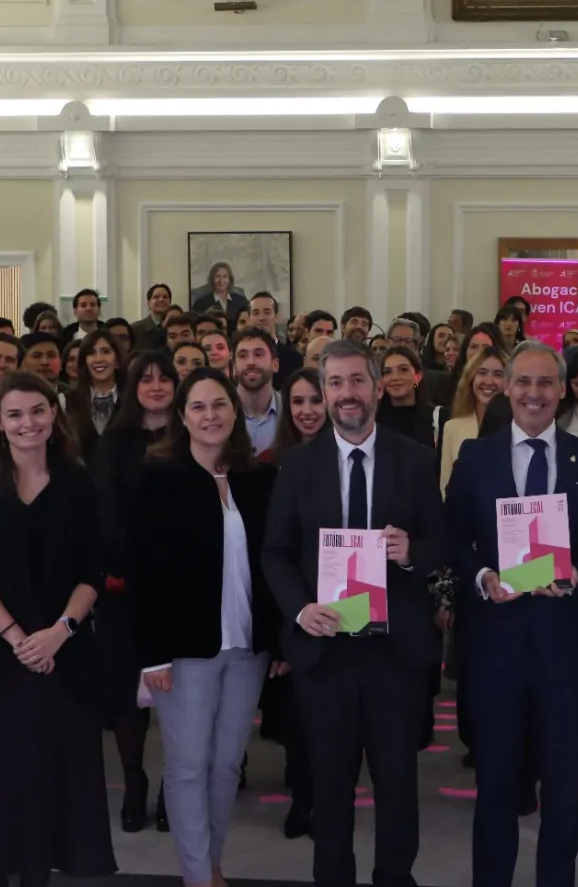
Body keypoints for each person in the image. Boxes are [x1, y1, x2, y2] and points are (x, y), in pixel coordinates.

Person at [261, 339, 447, 887]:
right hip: (327, 652)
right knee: (330, 786)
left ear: (377, 387)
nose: (347, 394)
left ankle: (395, 877)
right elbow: (274, 552)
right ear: (323, 392)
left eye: (357, 381)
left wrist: (412, 550)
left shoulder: (414, 460)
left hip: (396, 653)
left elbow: (443, 542)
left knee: (397, 785)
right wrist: (300, 609)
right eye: (336, 383)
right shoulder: (297, 465)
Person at [444, 341, 578, 887]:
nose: (534, 394)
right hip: (495, 642)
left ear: (562, 391)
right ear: (506, 388)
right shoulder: (476, 456)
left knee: (562, 785)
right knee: (495, 783)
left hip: (563, 642)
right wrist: (483, 578)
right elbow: (453, 538)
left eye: (545, 383)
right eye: (523, 382)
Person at [0, 372, 116, 887]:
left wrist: (59, 633)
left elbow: (93, 572)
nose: (28, 423)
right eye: (15, 414)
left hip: (64, 657)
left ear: (53, 415)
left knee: (55, 778)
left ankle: (42, 873)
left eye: (37, 411)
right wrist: (22, 641)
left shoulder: (76, 479)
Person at [131, 368, 283, 887]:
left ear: (235, 412)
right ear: (182, 417)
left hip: (247, 647)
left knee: (226, 767)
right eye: (198, 407)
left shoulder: (257, 478)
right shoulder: (157, 478)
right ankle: (198, 876)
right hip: (183, 651)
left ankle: (211, 863)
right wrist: (151, 655)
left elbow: (274, 563)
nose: (211, 415)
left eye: (220, 404)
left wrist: (278, 635)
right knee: (189, 766)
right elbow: (142, 572)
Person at [91, 350, 179, 834]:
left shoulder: (190, 434)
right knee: (129, 695)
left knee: (179, 695)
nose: (156, 386)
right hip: (125, 584)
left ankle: (172, 787)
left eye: (165, 378)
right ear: (131, 387)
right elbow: (104, 509)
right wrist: (122, 564)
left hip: (182, 586)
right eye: (145, 379)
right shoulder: (114, 441)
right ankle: (134, 782)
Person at [259, 366, 327, 838]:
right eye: (298, 401)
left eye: (315, 400)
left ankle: (326, 798)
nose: (307, 411)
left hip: (351, 608)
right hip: (292, 610)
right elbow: (267, 552)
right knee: (298, 721)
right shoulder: (266, 463)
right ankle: (303, 799)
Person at [439, 346, 509, 494]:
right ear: (471, 379)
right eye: (482, 373)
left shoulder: (519, 426)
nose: (489, 381)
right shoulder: (452, 427)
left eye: (498, 374)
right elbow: (445, 487)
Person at [64, 330, 124, 455]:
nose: (98, 359)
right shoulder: (67, 401)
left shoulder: (133, 398)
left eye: (106, 351)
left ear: (117, 360)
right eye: (91, 353)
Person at [232, 328, 282, 456]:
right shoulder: (219, 412)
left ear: (275, 364)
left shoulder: (291, 410)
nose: (250, 362)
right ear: (233, 368)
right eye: (243, 356)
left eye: (259, 354)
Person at [378, 347, 436, 448]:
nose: (395, 377)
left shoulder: (436, 419)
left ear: (418, 376)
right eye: (387, 372)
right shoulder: (373, 420)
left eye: (403, 370)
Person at [133, 284, 175, 352]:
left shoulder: (176, 329)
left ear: (170, 302)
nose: (161, 299)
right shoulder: (135, 329)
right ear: (149, 303)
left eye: (165, 297)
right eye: (156, 297)